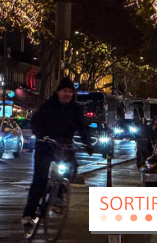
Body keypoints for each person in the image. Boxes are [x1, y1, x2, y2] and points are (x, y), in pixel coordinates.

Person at [22, 77, 92, 230]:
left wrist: (88, 144)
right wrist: (40, 135)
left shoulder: (75, 110)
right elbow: (35, 122)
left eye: (70, 91)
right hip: (45, 145)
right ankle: (28, 213)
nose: (67, 94)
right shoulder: (49, 106)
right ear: (58, 92)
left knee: (71, 168)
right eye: (64, 91)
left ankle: (58, 195)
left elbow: (82, 127)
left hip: (64, 146)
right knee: (39, 178)